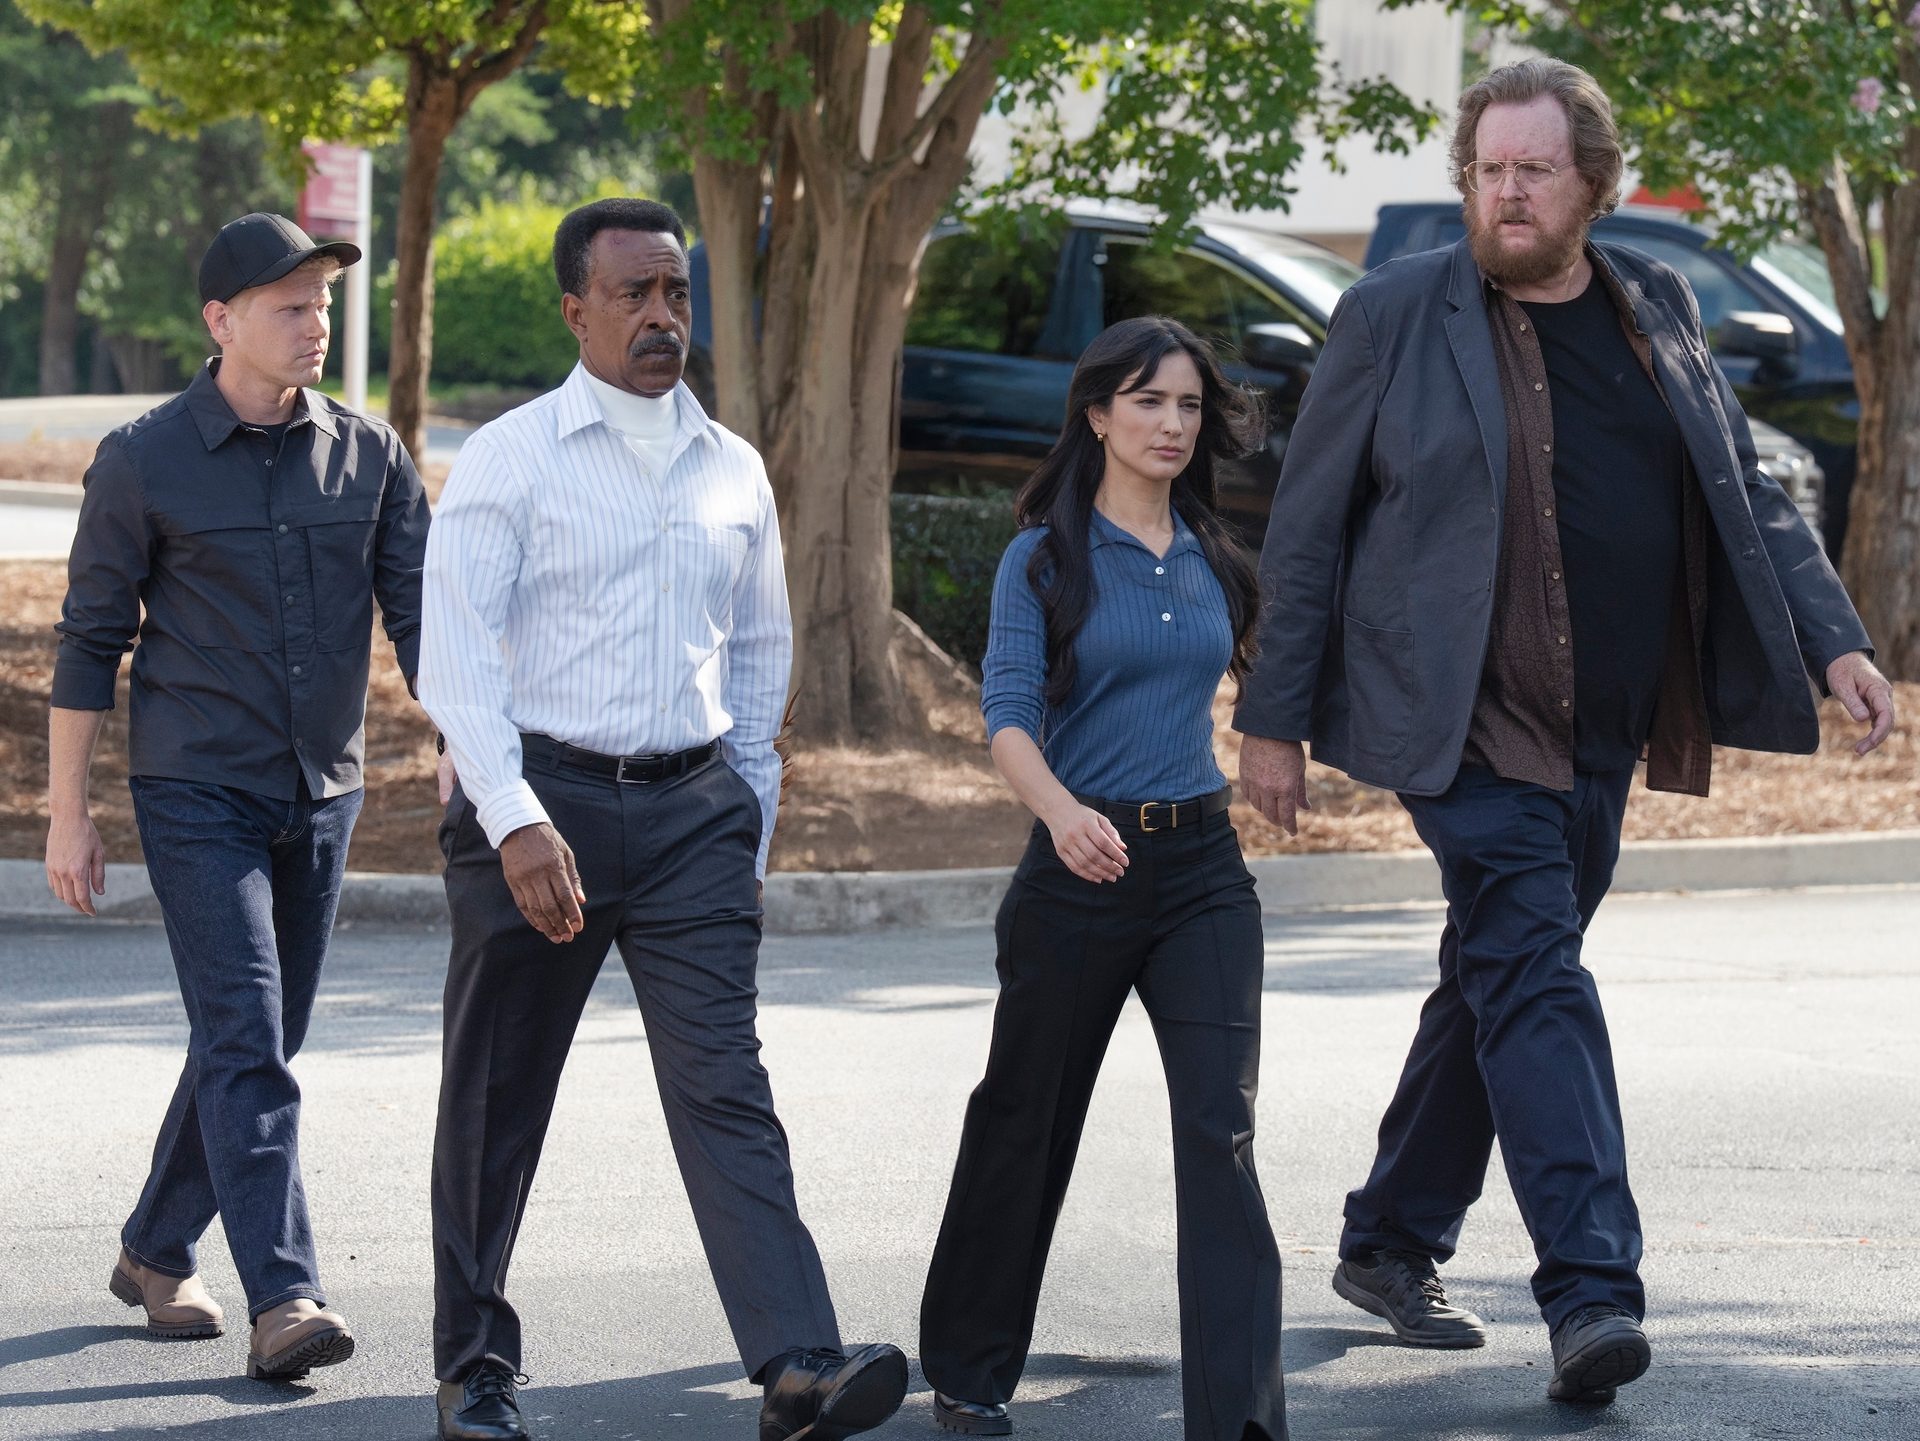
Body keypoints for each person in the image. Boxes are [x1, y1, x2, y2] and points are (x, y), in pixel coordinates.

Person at [1234, 58, 1897, 1407]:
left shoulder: (1655, 306)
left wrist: (1835, 638)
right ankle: (1591, 1291)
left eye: (1534, 169)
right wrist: (1274, 721)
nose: (1507, 192)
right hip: (1461, 721)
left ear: (1594, 183)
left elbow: (1745, 489)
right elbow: (1304, 531)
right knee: (1537, 974)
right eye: (1487, 170)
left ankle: (1389, 1237)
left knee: (1498, 976)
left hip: (1606, 721)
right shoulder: (1392, 313)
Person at [418, 197, 907, 1441]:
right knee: (497, 1096)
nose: (661, 316)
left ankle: (798, 1364)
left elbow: (758, 657)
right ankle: (474, 1370)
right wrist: (514, 818)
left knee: (725, 1082)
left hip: (694, 814)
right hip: (541, 804)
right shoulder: (511, 457)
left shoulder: (733, 466)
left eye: (676, 293)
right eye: (632, 292)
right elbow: (455, 660)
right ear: (575, 310)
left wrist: (747, 822)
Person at [44, 212, 431, 1380]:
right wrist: (69, 811)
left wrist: (474, 748)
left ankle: (155, 1248)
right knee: (251, 1035)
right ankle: (285, 1294)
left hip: (323, 791)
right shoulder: (143, 458)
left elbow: (427, 621)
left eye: (324, 304)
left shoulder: (370, 454)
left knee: (251, 1036)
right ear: (221, 321)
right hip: (195, 788)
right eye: (290, 305)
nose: (317, 324)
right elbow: (88, 641)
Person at [919, 317, 1285, 1441]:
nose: (1172, 424)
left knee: (1221, 1129)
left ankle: (1240, 1419)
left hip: (1203, 867)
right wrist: (1062, 812)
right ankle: (969, 1367)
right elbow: (1008, 714)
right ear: (1097, 415)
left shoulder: (1215, 555)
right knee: (1027, 1116)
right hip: (1079, 864)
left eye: (1188, 406)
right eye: (1148, 401)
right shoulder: (1045, 558)